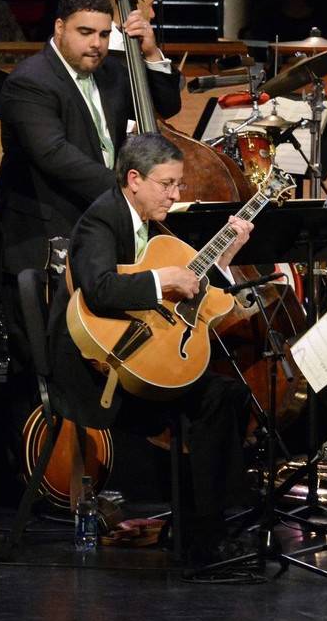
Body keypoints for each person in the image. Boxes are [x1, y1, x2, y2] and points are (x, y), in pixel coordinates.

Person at [46, 134, 254, 566]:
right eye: (168, 184)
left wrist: (222, 261)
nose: (177, 194)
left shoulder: (154, 224)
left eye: (179, 184)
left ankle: (204, 525)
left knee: (228, 393)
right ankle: (206, 538)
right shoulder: (100, 220)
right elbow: (99, 289)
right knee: (215, 398)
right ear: (134, 179)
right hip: (99, 372)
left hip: (140, 359)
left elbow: (189, 291)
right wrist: (163, 282)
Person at [0, 0, 179, 288]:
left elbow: (167, 105)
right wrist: (129, 193)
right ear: (60, 27)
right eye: (85, 32)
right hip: (43, 235)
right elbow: (54, 155)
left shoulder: (111, 72)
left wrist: (151, 52)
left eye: (104, 35)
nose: (96, 44)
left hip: (96, 229)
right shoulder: (29, 81)